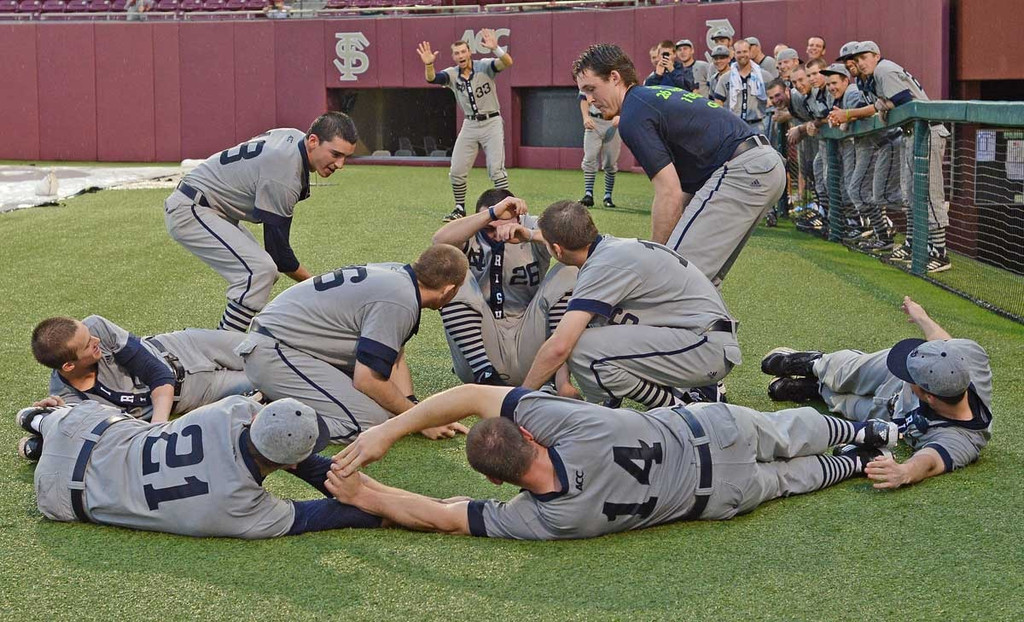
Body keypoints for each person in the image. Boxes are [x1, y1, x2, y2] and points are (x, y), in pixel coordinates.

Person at [323, 384, 898, 540]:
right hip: (713, 428)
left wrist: (368, 496)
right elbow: (474, 393)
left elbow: (446, 514)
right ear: (529, 431)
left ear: (498, 479)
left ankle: (854, 462)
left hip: (722, 494)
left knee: (793, 480)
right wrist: (388, 430)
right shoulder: (568, 423)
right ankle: (867, 430)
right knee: (789, 429)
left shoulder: (549, 519)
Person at [16, 395, 382, 538]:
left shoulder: (232, 409)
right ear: (293, 462)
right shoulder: (240, 509)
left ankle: (35, 428)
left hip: (85, 432)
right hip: (59, 496)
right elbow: (333, 512)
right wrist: (403, 511)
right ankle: (36, 448)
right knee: (113, 449)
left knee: (78, 418)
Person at [573, 43, 785, 286]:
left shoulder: (633, 114)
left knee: (672, 277)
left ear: (614, 77)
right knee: (701, 279)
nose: (589, 100)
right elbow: (685, 193)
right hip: (764, 166)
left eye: (591, 89)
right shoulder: (649, 98)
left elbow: (669, 193)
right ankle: (709, 323)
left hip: (744, 169)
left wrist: (653, 256)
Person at [235, 245, 470, 444]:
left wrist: (412, 407)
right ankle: (254, 420)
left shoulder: (398, 276)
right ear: (449, 289)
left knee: (387, 406)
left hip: (287, 346)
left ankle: (276, 396)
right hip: (277, 352)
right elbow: (366, 379)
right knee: (367, 422)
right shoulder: (400, 299)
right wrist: (419, 420)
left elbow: (393, 351)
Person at [520, 201, 740, 407]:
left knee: (581, 348)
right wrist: (531, 235)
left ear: (557, 250)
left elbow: (560, 346)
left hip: (703, 348)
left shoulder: (602, 267)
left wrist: (519, 397)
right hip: (702, 340)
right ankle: (683, 398)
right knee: (598, 328)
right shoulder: (611, 250)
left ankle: (679, 407)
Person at [761, 297, 991, 489]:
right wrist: (922, 317)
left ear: (928, 395)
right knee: (846, 371)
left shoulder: (963, 439)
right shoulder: (970, 357)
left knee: (843, 404)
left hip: (889, 416)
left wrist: (905, 472)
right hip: (891, 379)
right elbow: (943, 345)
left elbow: (930, 460)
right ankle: (812, 364)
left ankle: (817, 389)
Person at [164, 112, 358, 333]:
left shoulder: (293, 137)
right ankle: (221, 348)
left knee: (265, 271)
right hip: (191, 209)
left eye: (346, 157)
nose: (340, 164)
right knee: (260, 271)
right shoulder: (284, 173)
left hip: (207, 204)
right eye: (335, 154)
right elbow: (280, 255)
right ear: (313, 141)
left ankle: (224, 342)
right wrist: (318, 285)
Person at [432, 190, 577, 389]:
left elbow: (574, 243)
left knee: (569, 269)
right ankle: (485, 374)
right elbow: (439, 241)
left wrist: (528, 235)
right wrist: (492, 214)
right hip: (480, 348)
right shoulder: (471, 230)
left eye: (507, 226)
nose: (498, 234)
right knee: (455, 272)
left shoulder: (531, 226)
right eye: (490, 229)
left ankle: (561, 382)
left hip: (530, 342)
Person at [839, 41, 951, 272]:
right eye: (857, 59)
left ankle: (940, 253)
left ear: (876, 56)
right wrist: (883, 105)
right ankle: (912, 244)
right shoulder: (870, 78)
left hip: (927, 131)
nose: (860, 62)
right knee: (910, 193)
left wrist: (885, 105)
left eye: (864, 57)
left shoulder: (884, 69)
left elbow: (905, 103)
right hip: (912, 134)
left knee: (929, 195)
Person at [31, 315, 252, 424]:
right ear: (68, 365)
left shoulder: (96, 325)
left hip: (189, 347)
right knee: (276, 379)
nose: (96, 339)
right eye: (88, 344)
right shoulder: (69, 397)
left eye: (89, 335)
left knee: (267, 350)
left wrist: (157, 428)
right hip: (198, 393)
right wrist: (58, 415)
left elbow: (158, 373)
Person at [419, 31, 514, 222]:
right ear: (453, 56)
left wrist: (495, 47)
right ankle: (459, 208)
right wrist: (429, 63)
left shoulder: (485, 66)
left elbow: (507, 62)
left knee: (496, 169)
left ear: (469, 52)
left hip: (491, 121)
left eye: (463, 51)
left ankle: (507, 207)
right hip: (470, 123)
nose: (461, 56)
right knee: (456, 169)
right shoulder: (452, 74)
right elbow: (432, 79)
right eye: (457, 53)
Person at [821, 63, 874, 241]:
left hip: (878, 143)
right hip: (860, 145)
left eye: (834, 83)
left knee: (859, 189)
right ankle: (859, 224)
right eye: (828, 84)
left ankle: (877, 226)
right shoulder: (834, 96)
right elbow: (834, 120)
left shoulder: (851, 91)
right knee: (852, 187)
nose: (831, 87)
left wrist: (842, 121)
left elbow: (850, 120)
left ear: (846, 80)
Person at [578, 89, 621, 208]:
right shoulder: (590, 75)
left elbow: (625, 99)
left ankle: (608, 196)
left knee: (610, 162)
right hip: (594, 120)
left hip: (612, 122)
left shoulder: (617, 77)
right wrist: (586, 117)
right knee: (589, 157)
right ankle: (588, 194)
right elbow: (583, 98)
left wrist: (620, 115)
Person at [713, 39, 768, 131]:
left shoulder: (764, 76)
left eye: (745, 51)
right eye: (738, 52)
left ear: (750, 52)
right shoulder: (725, 78)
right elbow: (718, 104)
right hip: (734, 126)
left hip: (758, 125)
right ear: (734, 54)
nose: (742, 55)